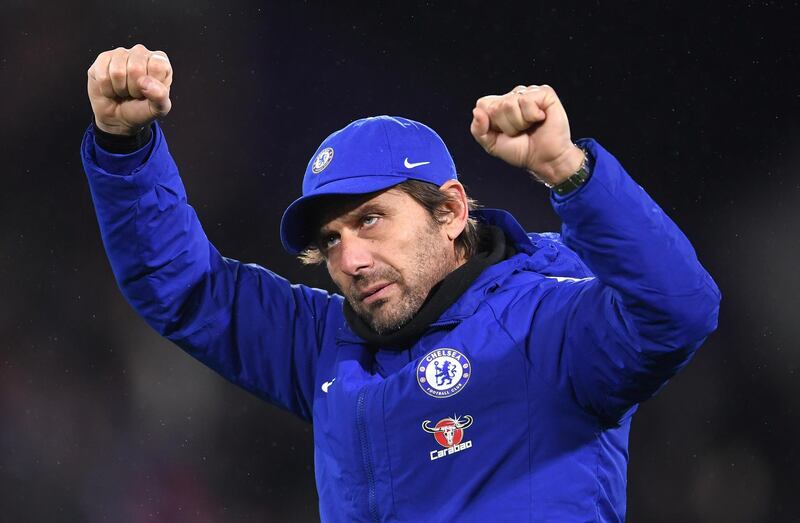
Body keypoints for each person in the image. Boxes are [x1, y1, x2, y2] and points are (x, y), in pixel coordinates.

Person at [81, 44, 720, 522]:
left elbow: (679, 309)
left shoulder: (546, 324)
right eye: (331, 239)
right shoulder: (325, 346)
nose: (350, 259)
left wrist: (570, 173)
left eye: (370, 220)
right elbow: (185, 291)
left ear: (451, 211)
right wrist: (124, 147)